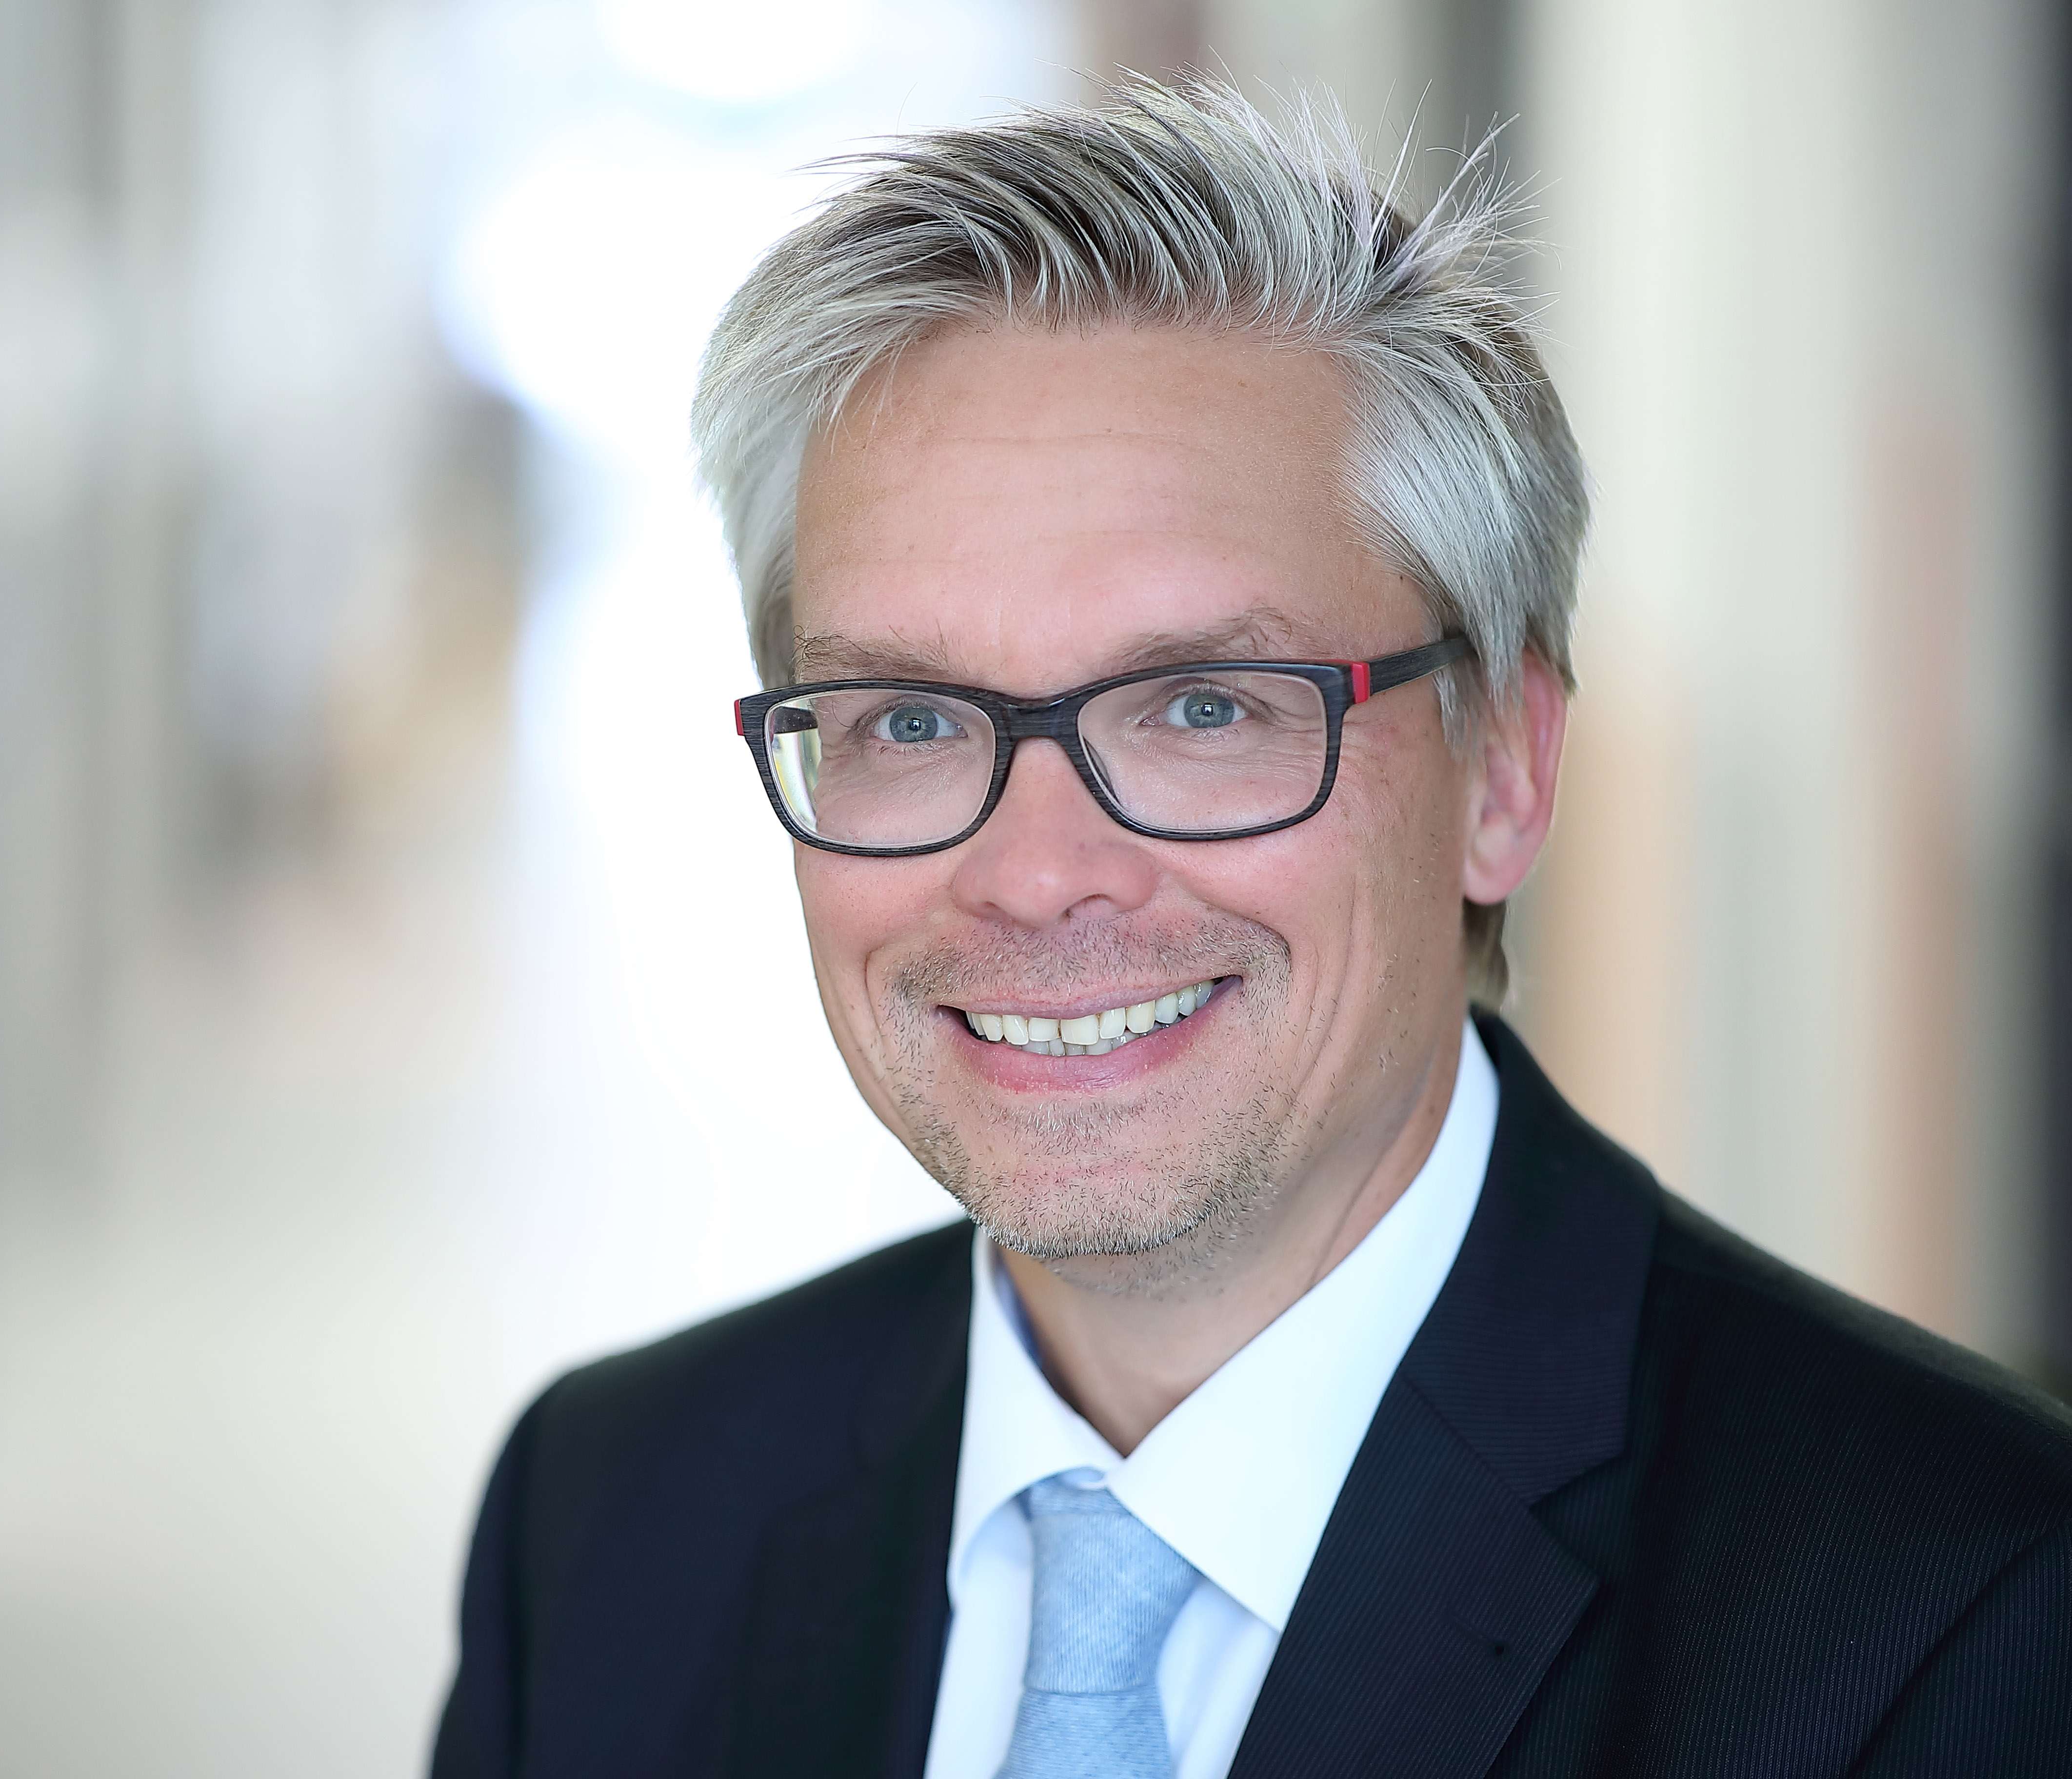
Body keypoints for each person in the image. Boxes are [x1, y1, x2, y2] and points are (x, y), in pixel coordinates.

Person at [430, 78, 2072, 1779]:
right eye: (909, 720)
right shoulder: (608, 1515)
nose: (1037, 874)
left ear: (1504, 769)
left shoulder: (1969, 1620)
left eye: (1205, 708)